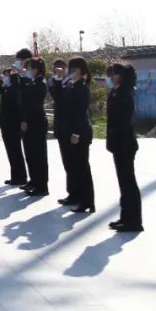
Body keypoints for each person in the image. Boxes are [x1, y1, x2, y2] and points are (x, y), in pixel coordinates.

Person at [106, 62, 143, 232]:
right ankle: (125, 217)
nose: (111, 77)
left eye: (114, 74)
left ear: (121, 76)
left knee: (128, 182)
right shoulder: (116, 92)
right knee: (123, 182)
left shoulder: (126, 93)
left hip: (125, 143)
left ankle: (134, 221)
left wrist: (116, 137)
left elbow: (124, 121)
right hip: (118, 143)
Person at [0, 48, 32, 186]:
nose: (16, 63)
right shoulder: (10, 73)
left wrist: (11, 83)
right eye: (16, 60)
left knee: (16, 148)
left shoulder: (25, 76)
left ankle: (21, 177)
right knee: (10, 148)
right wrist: (1, 80)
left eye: (19, 60)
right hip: (6, 117)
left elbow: (20, 94)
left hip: (16, 118)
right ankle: (15, 175)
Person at [62, 57, 95, 213]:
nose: (71, 72)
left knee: (82, 169)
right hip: (73, 130)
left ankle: (87, 201)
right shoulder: (72, 86)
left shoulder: (82, 87)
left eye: (74, 69)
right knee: (75, 167)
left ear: (82, 71)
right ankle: (79, 198)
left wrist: (76, 133)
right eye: (70, 69)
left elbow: (80, 112)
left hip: (80, 132)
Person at [20, 57, 50, 196]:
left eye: (29, 68)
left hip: (36, 123)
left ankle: (42, 186)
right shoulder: (31, 82)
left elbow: (34, 105)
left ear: (36, 69)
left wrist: (26, 120)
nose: (27, 70)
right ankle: (33, 180)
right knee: (30, 154)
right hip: (29, 122)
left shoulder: (40, 83)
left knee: (39, 156)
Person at [49, 59, 74, 204]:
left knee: (73, 164)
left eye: (58, 69)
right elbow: (55, 97)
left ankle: (76, 194)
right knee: (67, 163)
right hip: (61, 127)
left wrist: (61, 80)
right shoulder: (58, 82)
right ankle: (72, 193)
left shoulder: (71, 83)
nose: (55, 72)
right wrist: (57, 80)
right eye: (54, 69)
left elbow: (66, 102)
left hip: (70, 128)